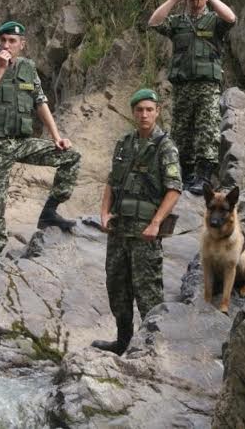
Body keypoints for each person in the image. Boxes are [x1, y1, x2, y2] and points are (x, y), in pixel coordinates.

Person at [0, 20, 80, 266]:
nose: (7, 45)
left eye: (13, 41)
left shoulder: (28, 69)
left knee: (71, 156)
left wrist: (56, 137)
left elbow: (40, 102)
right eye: (4, 40)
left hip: (20, 142)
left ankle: (50, 212)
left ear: (23, 44)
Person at [91, 89, 182, 355]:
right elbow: (111, 181)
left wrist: (156, 223)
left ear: (157, 112)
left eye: (149, 110)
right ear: (133, 112)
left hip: (145, 233)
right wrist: (104, 212)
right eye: (139, 110)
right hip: (119, 231)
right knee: (117, 287)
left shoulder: (165, 146)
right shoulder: (124, 143)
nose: (144, 114)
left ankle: (153, 346)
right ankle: (123, 342)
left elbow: (174, 189)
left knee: (148, 292)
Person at [148, 0, 236, 195]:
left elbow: (231, 18)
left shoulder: (214, 20)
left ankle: (203, 176)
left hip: (207, 86)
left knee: (207, 129)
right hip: (183, 86)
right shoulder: (178, 22)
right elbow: (154, 22)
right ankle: (185, 175)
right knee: (181, 131)